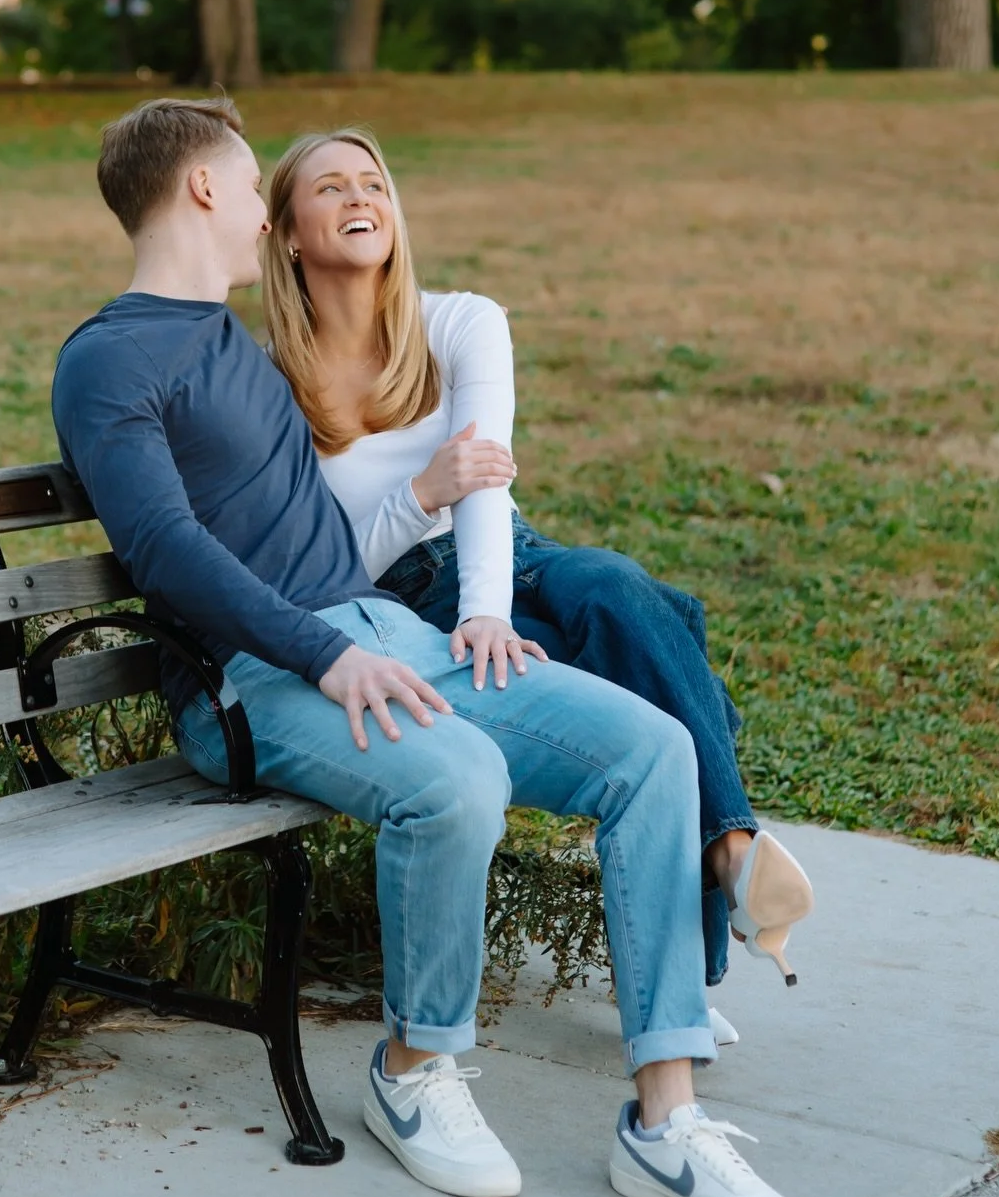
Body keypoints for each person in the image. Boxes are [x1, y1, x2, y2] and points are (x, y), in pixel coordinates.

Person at [52, 96, 813, 1197]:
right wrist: (325, 649)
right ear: (206, 189)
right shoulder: (111, 358)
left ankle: (667, 1117)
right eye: (256, 181)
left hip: (385, 641)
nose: (263, 203)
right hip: (252, 685)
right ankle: (415, 1068)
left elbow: (340, 518)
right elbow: (165, 551)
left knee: (652, 749)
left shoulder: (239, 351)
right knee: (456, 778)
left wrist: (457, 609)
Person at [261, 126, 815, 1010]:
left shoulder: (461, 322)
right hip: (395, 596)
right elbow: (321, 567)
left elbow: (484, 480)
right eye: (330, 188)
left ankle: (729, 854)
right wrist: (415, 497)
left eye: (374, 183)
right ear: (288, 231)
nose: (361, 197)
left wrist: (485, 611)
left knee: (613, 589)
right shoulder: (268, 383)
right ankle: (709, 935)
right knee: (663, 663)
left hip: (504, 553)